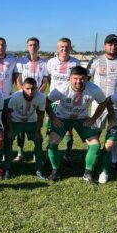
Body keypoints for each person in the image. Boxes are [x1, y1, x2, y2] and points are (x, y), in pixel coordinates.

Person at [46, 66, 106, 183]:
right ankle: (55, 171)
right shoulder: (61, 89)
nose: (78, 81)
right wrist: (53, 118)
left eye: (82, 79)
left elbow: (103, 103)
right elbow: (47, 102)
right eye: (75, 78)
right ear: (70, 78)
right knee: (52, 143)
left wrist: (93, 119)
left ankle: (88, 173)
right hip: (62, 118)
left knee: (95, 145)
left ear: (87, 78)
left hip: (81, 119)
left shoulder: (94, 89)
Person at [87, 34, 117, 172]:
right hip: (99, 104)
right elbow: (86, 78)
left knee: (116, 133)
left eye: (116, 45)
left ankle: (115, 160)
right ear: (105, 46)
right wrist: (94, 94)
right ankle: (94, 158)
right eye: (110, 44)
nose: (113, 47)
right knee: (95, 132)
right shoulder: (95, 61)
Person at [46, 37, 81, 166]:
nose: (64, 49)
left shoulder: (76, 63)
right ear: (57, 48)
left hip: (69, 101)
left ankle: (67, 155)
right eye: (62, 46)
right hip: (54, 101)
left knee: (68, 129)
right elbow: (49, 79)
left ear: (70, 48)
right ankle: (48, 154)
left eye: (67, 47)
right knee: (50, 128)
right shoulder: (50, 62)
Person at [14, 37, 49, 162]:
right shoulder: (20, 61)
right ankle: (20, 153)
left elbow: (45, 81)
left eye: (35, 45)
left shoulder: (44, 63)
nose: (32, 47)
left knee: (36, 125)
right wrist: (23, 94)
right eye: (30, 45)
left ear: (38, 47)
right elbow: (18, 79)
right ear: (27, 47)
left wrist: (36, 95)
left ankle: (36, 152)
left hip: (37, 99)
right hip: (22, 98)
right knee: (20, 125)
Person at [4, 78, 47, 180]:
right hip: (16, 121)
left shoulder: (41, 97)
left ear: (36, 88)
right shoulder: (16, 96)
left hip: (31, 122)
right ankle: (7, 168)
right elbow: (8, 113)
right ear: (22, 87)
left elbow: (41, 115)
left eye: (33, 89)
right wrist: (9, 130)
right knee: (8, 139)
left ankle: (38, 169)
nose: (30, 91)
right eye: (27, 88)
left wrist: (38, 131)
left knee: (38, 140)